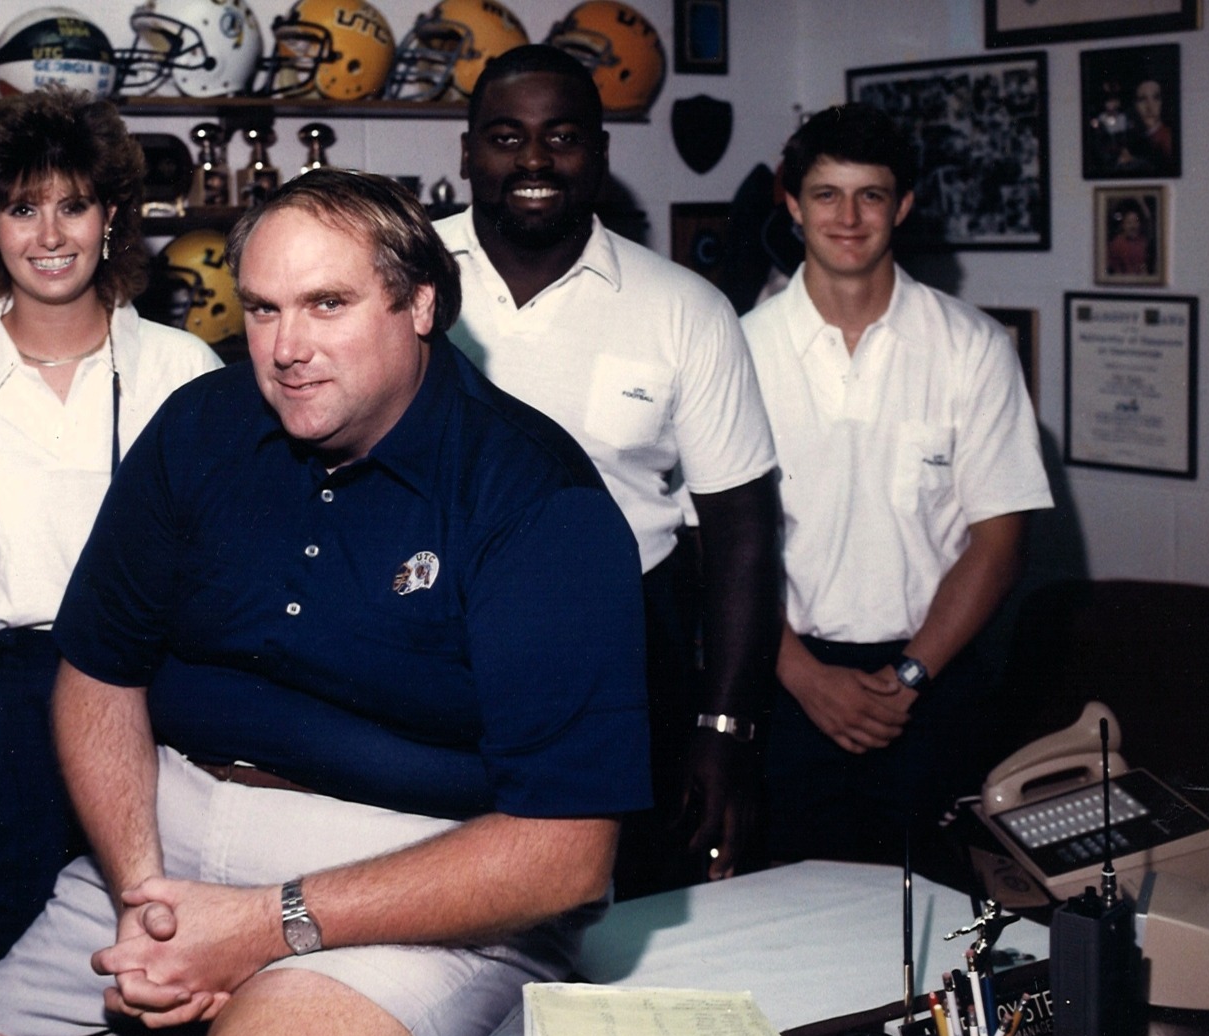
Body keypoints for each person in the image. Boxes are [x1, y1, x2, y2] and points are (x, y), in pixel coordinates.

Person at [0, 168, 650, 1036]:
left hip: (405, 887)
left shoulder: (533, 495)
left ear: (420, 304)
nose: (286, 347)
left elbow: (566, 855)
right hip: (155, 853)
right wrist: (146, 897)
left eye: (326, 304)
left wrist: (264, 924)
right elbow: (99, 674)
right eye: (262, 310)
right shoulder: (200, 426)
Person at [0, 86, 221, 1028]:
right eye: (22, 208)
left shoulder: (183, 372)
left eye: (72, 203)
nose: (50, 233)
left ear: (112, 216)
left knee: (155, 966)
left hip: (159, 700)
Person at [437, 44, 781, 886]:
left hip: (624, 658)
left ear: (599, 153)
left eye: (562, 136)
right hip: (428, 648)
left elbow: (742, 533)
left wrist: (723, 727)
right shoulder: (395, 276)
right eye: (506, 136)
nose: (534, 160)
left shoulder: (684, 310)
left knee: (615, 922)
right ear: (468, 152)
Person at [741, 105, 1053, 866]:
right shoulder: (737, 349)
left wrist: (907, 678)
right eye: (826, 194)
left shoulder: (971, 347)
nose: (848, 217)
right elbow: (717, 547)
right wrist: (806, 678)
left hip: (931, 688)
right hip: (780, 683)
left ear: (903, 206)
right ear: (791, 201)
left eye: (871, 195)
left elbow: (1000, 542)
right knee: (785, 924)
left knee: (934, 927)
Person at [1106, 200, 1151, 277]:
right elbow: (1114, 271)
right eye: (1129, 222)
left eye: (1135, 222)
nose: (1133, 226)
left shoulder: (1144, 242)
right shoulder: (1116, 244)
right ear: (1123, 225)